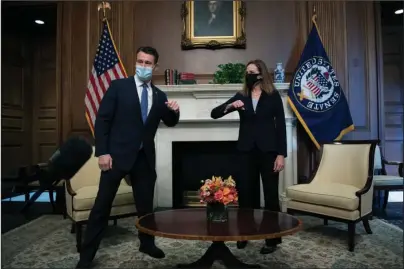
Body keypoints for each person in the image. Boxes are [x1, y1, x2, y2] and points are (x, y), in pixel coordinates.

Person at [76, 46, 180, 268]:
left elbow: (171, 122)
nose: (143, 66)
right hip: (115, 157)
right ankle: (87, 256)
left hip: (144, 159)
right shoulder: (118, 87)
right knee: (101, 207)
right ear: (136, 63)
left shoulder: (160, 95)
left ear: (155, 67)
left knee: (145, 207)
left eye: (148, 63)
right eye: (140, 61)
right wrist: (102, 152)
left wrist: (175, 109)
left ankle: (147, 243)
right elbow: (102, 121)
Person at [210, 59, 287, 254]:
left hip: (269, 152)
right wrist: (231, 107)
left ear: (261, 74)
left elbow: (281, 127)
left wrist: (281, 154)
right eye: (247, 72)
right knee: (246, 196)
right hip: (245, 152)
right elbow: (214, 114)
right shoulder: (241, 96)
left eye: (252, 72)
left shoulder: (273, 95)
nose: (248, 75)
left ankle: (272, 238)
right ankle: (245, 234)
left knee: (270, 197)